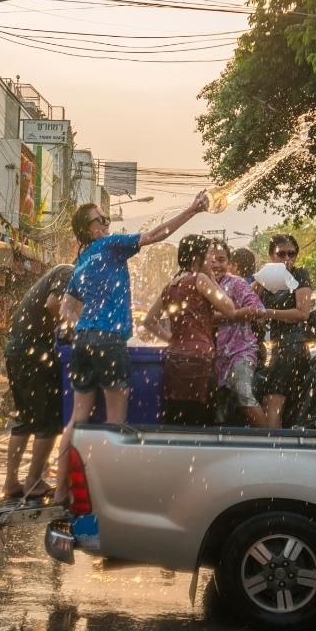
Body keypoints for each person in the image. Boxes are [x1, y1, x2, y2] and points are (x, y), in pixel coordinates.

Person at [53, 192, 210, 506]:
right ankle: (112, 497)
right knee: (116, 423)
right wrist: (192, 210)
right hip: (110, 342)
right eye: (102, 220)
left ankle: (60, 491)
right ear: (90, 228)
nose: (108, 224)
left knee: (77, 418)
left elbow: (66, 311)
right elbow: (156, 235)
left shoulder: (81, 261)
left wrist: (89, 319)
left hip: (84, 342)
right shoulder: (110, 246)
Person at [143, 235, 235, 425]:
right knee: (201, 416)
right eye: (209, 254)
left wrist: (172, 339)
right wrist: (211, 278)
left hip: (174, 357)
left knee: (178, 414)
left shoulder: (171, 285)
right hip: (200, 359)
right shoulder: (199, 279)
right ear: (196, 258)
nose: (212, 260)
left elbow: (149, 321)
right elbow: (229, 308)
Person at [0, 263, 74, 501]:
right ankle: (34, 481)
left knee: (26, 418)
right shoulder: (68, 272)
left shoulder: (62, 273)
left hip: (20, 349)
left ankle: (11, 481)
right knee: (49, 420)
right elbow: (54, 304)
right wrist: (70, 327)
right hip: (33, 351)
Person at [253, 234, 313, 429]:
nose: (287, 258)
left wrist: (267, 312)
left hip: (293, 347)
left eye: (292, 253)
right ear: (272, 255)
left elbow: (302, 313)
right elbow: (247, 304)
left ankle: (274, 450)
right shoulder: (268, 278)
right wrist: (261, 281)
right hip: (277, 348)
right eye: (281, 254)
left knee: (273, 403)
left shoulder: (300, 274)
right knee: (269, 403)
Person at [210, 241, 265, 425]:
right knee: (218, 412)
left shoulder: (236, 283)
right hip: (214, 359)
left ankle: (273, 444)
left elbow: (257, 309)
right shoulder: (199, 284)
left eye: (221, 259)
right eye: (211, 259)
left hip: (240, 352)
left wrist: (226, 315)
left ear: (229, 263)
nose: (216, 264)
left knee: (244, 397)